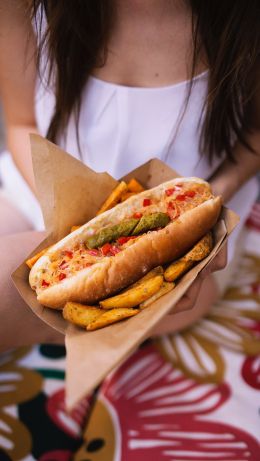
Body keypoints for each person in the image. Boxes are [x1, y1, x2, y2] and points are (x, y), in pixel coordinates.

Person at [0, 0, 259, 351]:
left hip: (197, 250)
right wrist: (69, 226)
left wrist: (216, 203)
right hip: (36, 196)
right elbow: (21, 124)